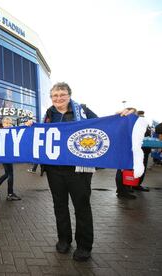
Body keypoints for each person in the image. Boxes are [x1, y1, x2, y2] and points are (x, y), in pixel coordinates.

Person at [26, 82, 134, 262]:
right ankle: (64, 240)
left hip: (79, 170)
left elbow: (104, 126)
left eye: (62, 94)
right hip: (55, 170)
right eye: (55, 95)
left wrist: (124, 114)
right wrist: (31, 125)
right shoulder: (48, 115)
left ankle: (84, 246)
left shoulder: (82, 110)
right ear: (51, 98)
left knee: (81, 207)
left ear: (69, 95)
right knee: (59, 206)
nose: (58, 98)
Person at [0, 117, 21, 201]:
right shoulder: (0, 133)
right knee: (10, 174)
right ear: (3, 124)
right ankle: (10, 193)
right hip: (4, 156)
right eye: (6, 123)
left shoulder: (13, 132)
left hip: (9, 156)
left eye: (9, 123)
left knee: (7, 174)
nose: (8, 124)